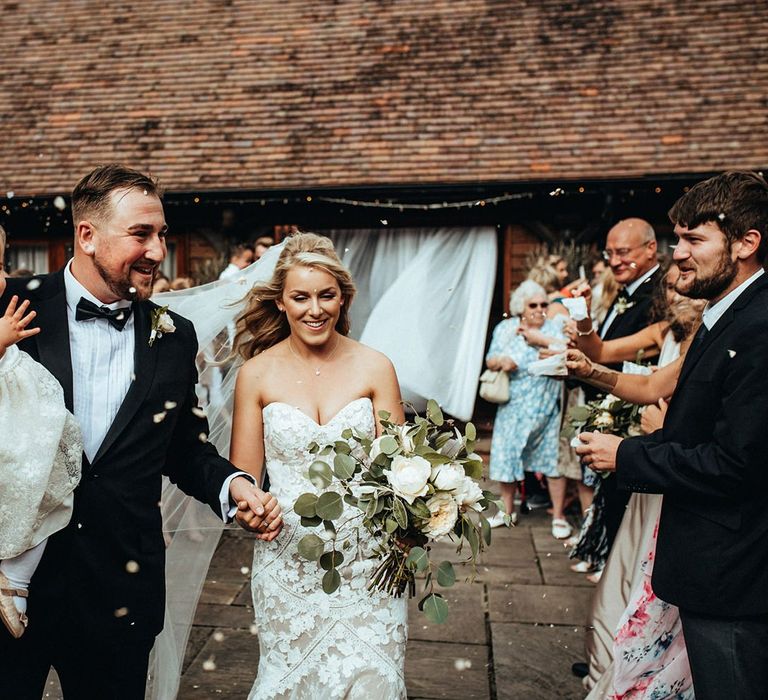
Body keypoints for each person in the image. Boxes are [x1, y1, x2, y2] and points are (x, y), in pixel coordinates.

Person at [0, 164, 282, 699]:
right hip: (12, 586)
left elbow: (186, 449)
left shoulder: (175, 337)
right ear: (86, 235)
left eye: (162, 235)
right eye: (141, 235)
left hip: (119, 593)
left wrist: (233, 485)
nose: (158, 251)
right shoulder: (11, 307)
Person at [576, 171, 768, 699]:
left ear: (747, 244)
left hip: (737, 578)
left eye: (693, 239)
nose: (677, 252)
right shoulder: (724, 317)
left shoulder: (759, 328)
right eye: (677, 237)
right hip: (709, 565)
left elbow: (738, 465)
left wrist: (629, 456)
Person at [229, 232, 408, 699]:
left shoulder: (376, 367)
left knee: (377, 681)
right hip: (289, 562)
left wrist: (423, 508)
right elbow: (243, 479)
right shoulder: (256, 374)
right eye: (300, 297)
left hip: (370, 564)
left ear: (343, 297)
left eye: (326, 295)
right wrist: (251, 511)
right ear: (281, 303)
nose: (315, 309)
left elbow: (400, 471)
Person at [0, 232, 82, 640]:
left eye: (0, 266)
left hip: (23, 414)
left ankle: (15, 577)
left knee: (50, 483)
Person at [485, 280, 571, 538]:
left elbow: (569, 355)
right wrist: (502, 361)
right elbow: (490, 359)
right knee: (506, 457)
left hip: (546, 407)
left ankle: (558, 515)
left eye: (544, 304)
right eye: (533, 304)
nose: (539, 309)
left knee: (553, 461)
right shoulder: (506, 328)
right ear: (520, 307)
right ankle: (507, 512)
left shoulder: (555, 327)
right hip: (514, 408)